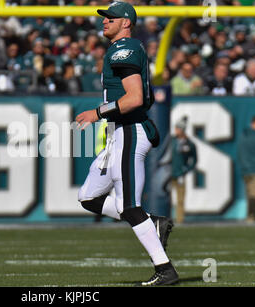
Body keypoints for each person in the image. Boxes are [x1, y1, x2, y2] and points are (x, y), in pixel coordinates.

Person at [75, 2, 178, 286]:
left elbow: (133, 98)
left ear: (126, 22)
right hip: (118, 134)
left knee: (130, 206)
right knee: (89, 197)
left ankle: (165, 269)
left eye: (111, 17)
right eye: (105, 17)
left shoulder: (126, 49)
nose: (105, 21)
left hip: (129, 132)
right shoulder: (120, 49)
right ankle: (152, 221)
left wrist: (97, 113)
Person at [170, 117, 197, 224]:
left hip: (180, 174)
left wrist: (186, 169)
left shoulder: (189, 144)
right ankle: (165, 217)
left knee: (180, 198)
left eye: (178, 128)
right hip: (168, 174)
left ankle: (180, 219)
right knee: (166, 198)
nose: (176, 130)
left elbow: (194, 159)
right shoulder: (171, 141)